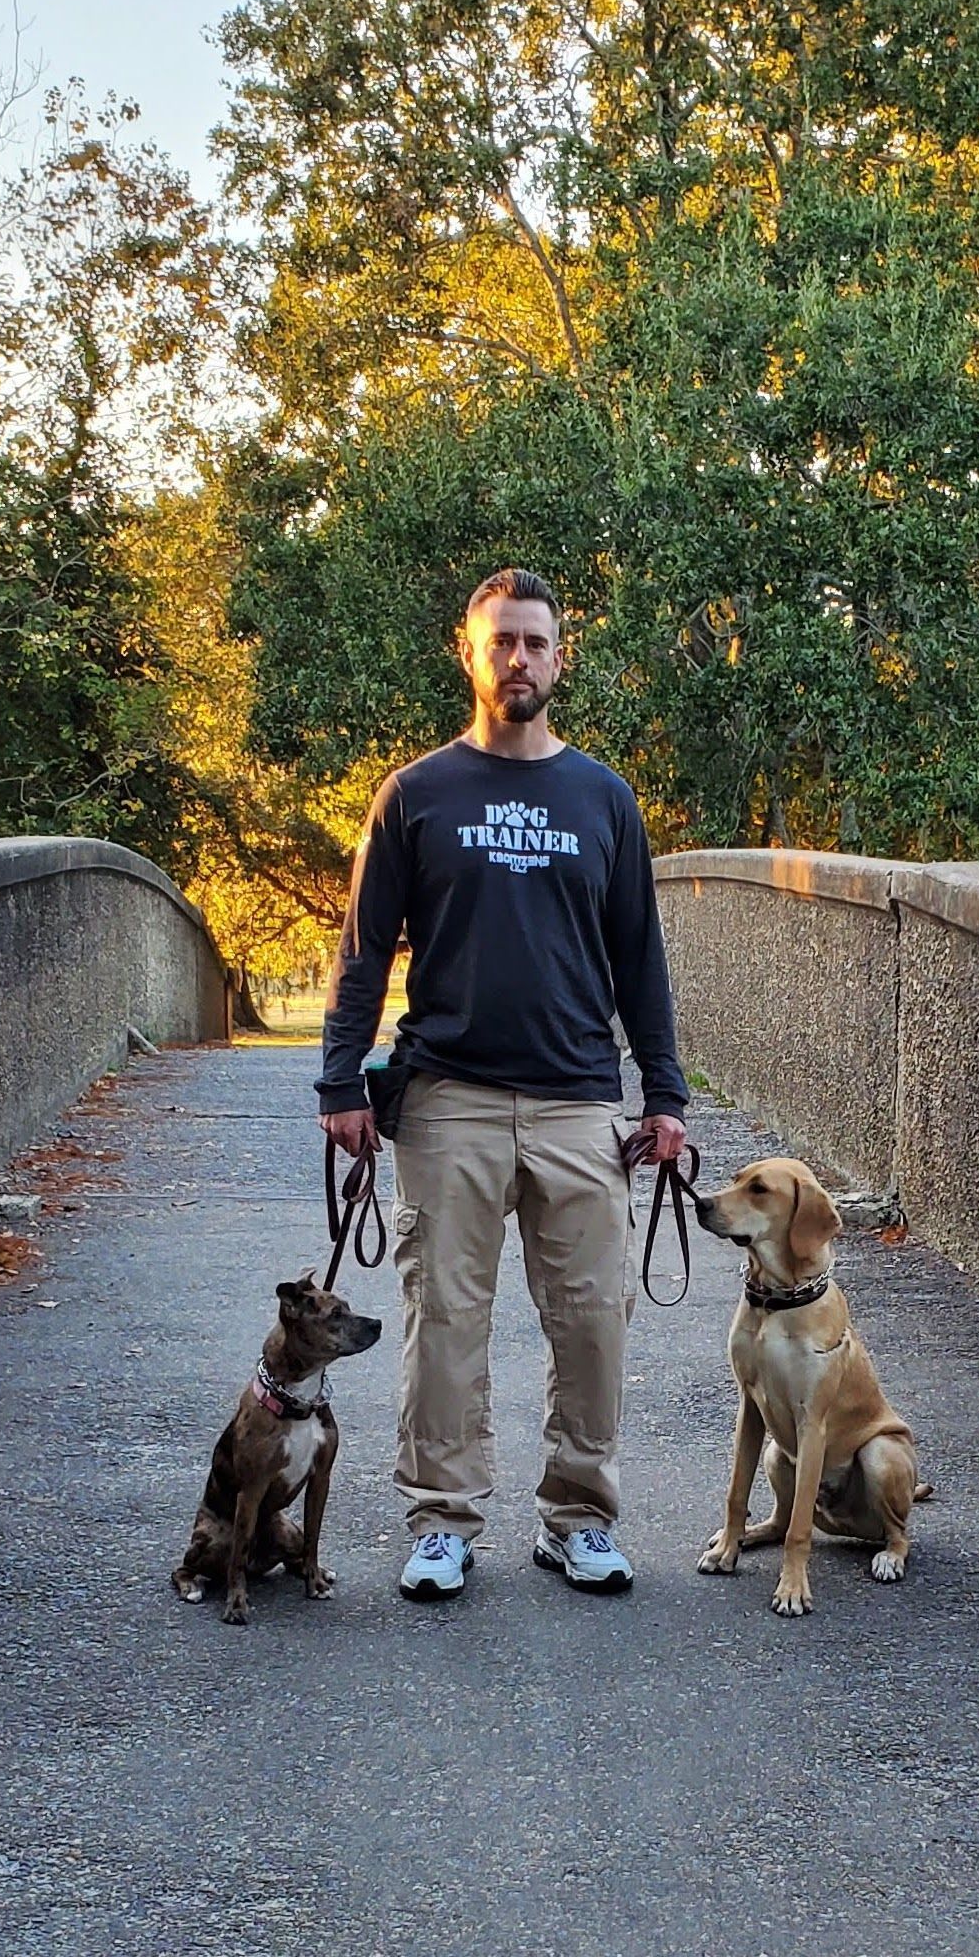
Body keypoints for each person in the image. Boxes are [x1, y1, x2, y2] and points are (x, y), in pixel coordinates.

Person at [318, 570, 689, 1601]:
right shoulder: (417, 793)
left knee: (594, 1323)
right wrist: (340, 1081)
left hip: (579, 1099)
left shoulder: (604, 798)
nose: (519, 659)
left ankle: (580, 1519)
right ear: (470, 654)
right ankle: (442, 1522)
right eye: (502, 643)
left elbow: (641, 960)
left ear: (560, 658)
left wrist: (664, 1096)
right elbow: (362, 951)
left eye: (535, 642)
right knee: (445, 1319)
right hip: (451, 1098)